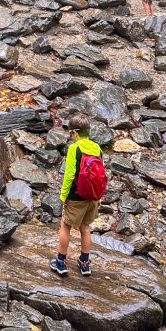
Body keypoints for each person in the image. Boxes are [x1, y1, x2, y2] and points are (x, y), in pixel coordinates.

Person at [51, 113, 104, 278]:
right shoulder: (97, 148)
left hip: (76, 195)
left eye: (70, 133)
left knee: (65, 225)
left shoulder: (74, 148)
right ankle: (84, 263)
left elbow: (69, 175)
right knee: (85, 227)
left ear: (74, 133)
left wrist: (63, 196)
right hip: (93, 196)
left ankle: (60, 261)